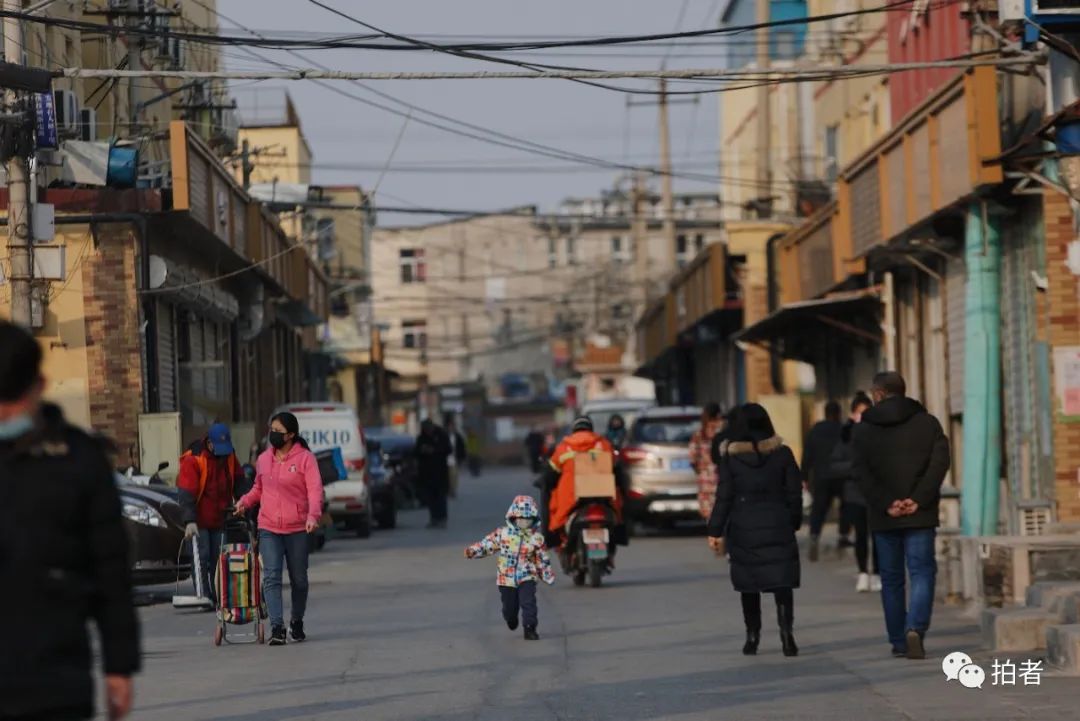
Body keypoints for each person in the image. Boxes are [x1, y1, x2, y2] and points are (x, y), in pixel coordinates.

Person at [0, 320, 140, 720]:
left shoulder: (79, 461)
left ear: (39, 385)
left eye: (12, 400)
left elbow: (111, 570)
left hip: (56, 682)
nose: (5, 413)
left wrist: (119, 665)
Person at [852, 371, 950, 660]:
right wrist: (918, 499)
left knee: (892, 578)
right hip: (920, 514)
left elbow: (860, 471)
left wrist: (887, 503)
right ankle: (915, 628)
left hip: (885, 516)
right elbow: (940, 462)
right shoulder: (928, 423)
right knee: (921, 571)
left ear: (879, 394)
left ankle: (898, 639)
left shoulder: (864, 429)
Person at [707, 403, 802, 657]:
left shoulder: (732, 459)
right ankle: (786, 635)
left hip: (743, 527)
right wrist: (793, 520)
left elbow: (724, 496)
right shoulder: (783, 453)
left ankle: (752, 637)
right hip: (778, 524)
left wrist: (714, 530)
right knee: (782, 583)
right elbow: (794, 492)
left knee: (749, 585)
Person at [236, 412, 323, 646]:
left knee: (299, 580)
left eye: (278, 431)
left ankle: (296, 621)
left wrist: (313, 516)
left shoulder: (306, 459)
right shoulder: (264, 459)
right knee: (272, 577)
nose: (272, 434)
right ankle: (277, 627)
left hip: (297, 528)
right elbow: (258, 489)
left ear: (291, 435)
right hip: (269, 527)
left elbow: (315, 491)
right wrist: (244, 502)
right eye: (271, 429)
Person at [464, 495, 556, 641]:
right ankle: (510, 618)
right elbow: (487, 544)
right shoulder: (502, 534)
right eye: (520, 519)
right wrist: (473, 551)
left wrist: (546, 574)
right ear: (513, 517)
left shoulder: (537, 539)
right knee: (509, 608)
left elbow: (542, 558)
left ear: (534, 520)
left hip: (527, 575)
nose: (524, 523)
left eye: (528, 520)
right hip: (506, 578)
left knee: (529, 602)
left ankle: (530, 628)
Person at [543, 416, 628, 562]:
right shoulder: (604, 445)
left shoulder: (563, 448)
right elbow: (616, 470)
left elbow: (550, 476)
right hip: (603, 496)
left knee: (551, 502)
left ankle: (558, 542)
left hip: (571, 498)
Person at [176, 422, 243, 603]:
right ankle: (203, 595)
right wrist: (189, 520)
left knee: (219, 559)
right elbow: (187, 492)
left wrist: (244, 503)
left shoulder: (229, 456)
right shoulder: (194, 459)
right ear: (209, 443)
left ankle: (220, 596)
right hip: (199, 520)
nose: (222, 452)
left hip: (219, 517)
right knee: (201, 556)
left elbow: (239, 481)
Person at [829, 392, 880, 593]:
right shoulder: (845, 436)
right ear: (852, 415)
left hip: (875, 494)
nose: (862, 418)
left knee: (877, 535)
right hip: (855, 494)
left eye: (866, 413)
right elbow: (834, 465)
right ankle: (862, 573)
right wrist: (855, 468)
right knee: (860, 535)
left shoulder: (879, 435)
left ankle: (877, 572)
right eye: (859, 414)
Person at [803, 400, 851, 561]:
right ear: (838, 413)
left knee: (819, 508)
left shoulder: (815, 430)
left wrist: (804, 476)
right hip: (842, 475)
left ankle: (814, 535)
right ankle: (843, 535)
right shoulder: (843, 429)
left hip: (821, 476)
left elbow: (807, 454)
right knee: (846, 506)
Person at [690, 402, 725, 521]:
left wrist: (701, 471)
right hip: (723, 480)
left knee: (710, 518)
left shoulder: (699, 435)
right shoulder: (724, 432)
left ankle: (714, 538)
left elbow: (692, 457)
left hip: (705, 482)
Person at [416, 419, 452, 528]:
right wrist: (423, 451)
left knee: (440, 497)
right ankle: (434, 518)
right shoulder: (421, 438)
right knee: (430, 498)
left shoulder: (441, 435)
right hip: (427, 473)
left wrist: (435, 450)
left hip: (440, 472)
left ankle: (442, 518)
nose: (427, 431)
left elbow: (448, 449)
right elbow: (416, 452)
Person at [445, 418, 468, 499]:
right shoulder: (444, 436)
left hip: (455, 458)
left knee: (454, 475)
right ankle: (449, 490)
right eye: (449, 426)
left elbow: (462, 447)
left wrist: (462, 458)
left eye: (452, 426)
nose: (451, 428)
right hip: (446, 458)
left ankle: (453, 490)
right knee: (448, 475)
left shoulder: (457, 436)